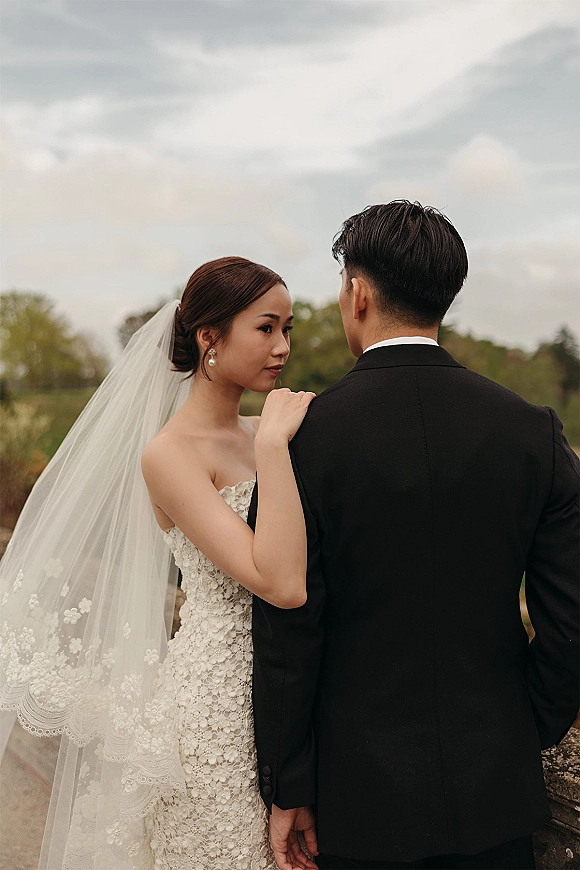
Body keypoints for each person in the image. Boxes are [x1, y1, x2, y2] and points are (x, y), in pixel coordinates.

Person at [250, 201, 580, 870]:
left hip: (355, 794)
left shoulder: (299, 441)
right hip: (496, 788)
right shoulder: (533, 432)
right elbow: (571, 619)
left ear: (358, 293)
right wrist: (530, 726)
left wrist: (289, 783)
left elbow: (289, 627)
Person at [0, 256, 316, 870]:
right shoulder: (169, 455)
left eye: (289, 328)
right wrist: (276, 445)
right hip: (215, 715)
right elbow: (278, 581)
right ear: (209, 338)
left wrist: (272, 436)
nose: (282, 347)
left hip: (294, 695)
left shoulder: (268, 429)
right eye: (266, 327)